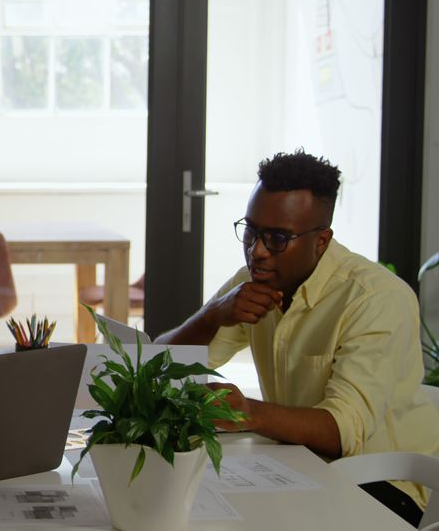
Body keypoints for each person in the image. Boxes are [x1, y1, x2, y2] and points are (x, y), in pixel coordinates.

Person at [155, 150, 439, 526]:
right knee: (182, 504)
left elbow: (341, 432)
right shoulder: (253, 281)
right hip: (297, 466)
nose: (257, 251)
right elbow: (158, 365)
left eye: (276, 238)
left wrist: (247, 411)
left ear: (321, 241)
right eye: (252, 230)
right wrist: (213, 315)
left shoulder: (377, 299)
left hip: (382, 485)